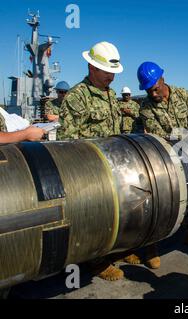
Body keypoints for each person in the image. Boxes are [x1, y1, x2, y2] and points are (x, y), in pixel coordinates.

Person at [57, 41, 129, 281]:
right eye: (107, 72)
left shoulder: (110, 94)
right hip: (90, 172)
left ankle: (115, 250)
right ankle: (96, 261)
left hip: (113, 167)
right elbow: (67, 143)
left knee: (117, 213)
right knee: (95, 218)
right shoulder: (77, 97)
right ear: (92, 68)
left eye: (113, 73)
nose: (112, 77)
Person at [137, 61, 188, 266]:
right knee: (161, 201)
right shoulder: (146, 108)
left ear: (162, 79)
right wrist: (179, 138)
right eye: (148, 90)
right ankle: (151, 247)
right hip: (164, 159)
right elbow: (156, 138)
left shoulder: (183, 95)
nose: (153, 93)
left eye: (155, 88)